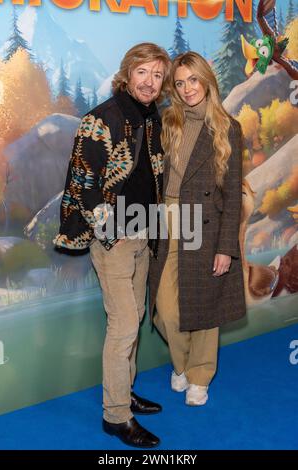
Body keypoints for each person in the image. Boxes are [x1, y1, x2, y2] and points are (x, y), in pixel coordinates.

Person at [54, 43, 171, 447]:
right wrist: (107, 229)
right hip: (115, 240)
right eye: (143, 72)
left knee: (134, 317)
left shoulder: (150, 117)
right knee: (123, 325)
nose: (150, 82)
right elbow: (83, 181)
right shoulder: (100, 119)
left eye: (157, 75)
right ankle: (115, 416)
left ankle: (125, 390)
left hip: (142, 233)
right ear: (127, 73)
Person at [149, 51, 246, 406]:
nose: (188, 89)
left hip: (205, 222)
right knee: (165, 310)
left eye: (193, 79)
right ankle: (183, 364)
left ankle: (200, 374)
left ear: (206, 79)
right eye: (179, 82)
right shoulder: (166, 121)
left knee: (205, 304)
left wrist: (226, 247)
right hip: (165, 220)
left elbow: (233, 194)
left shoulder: (227, 127)